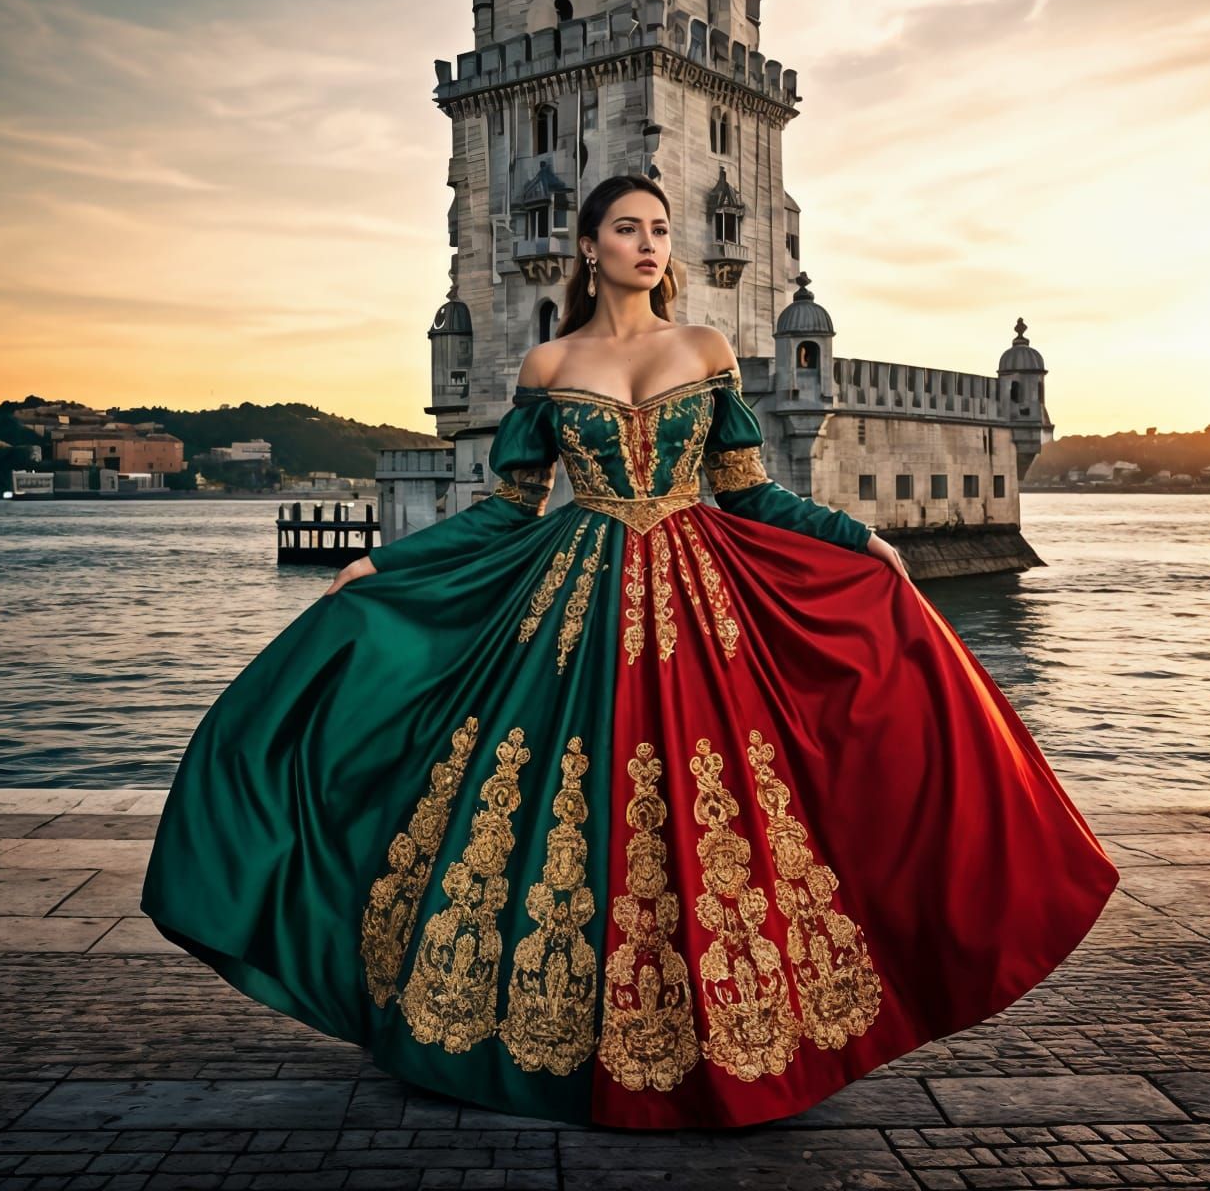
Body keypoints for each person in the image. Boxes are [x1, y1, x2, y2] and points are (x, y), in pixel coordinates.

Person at [141, 172, 1118, 1131]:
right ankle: (539, 1037)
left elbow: (747, 494)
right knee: (563, 804)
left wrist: (855, 540)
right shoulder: (550, 368)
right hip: (578, 601)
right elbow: (505, 510)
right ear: (588, 247)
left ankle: (735, 1040)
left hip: (704, 599)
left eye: (659, 228)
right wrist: (384, 563)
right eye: (626, 229)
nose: (649, 244)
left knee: (727, 808)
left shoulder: (707, 348)